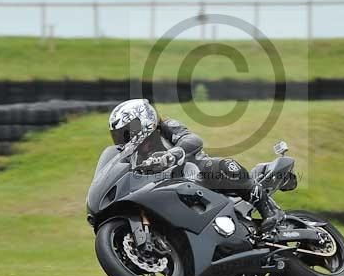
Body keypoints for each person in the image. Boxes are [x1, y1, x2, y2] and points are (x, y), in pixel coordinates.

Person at [107, 98, 284, 232]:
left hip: (199, 177)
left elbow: (192, 139)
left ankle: (269, 209)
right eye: (119, 135)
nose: (123, 139)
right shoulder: (135, 155)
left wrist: (173, 153)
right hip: (170, 191)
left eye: (126, 132)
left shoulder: (165, 126)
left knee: (221, 166)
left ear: (143, 120)